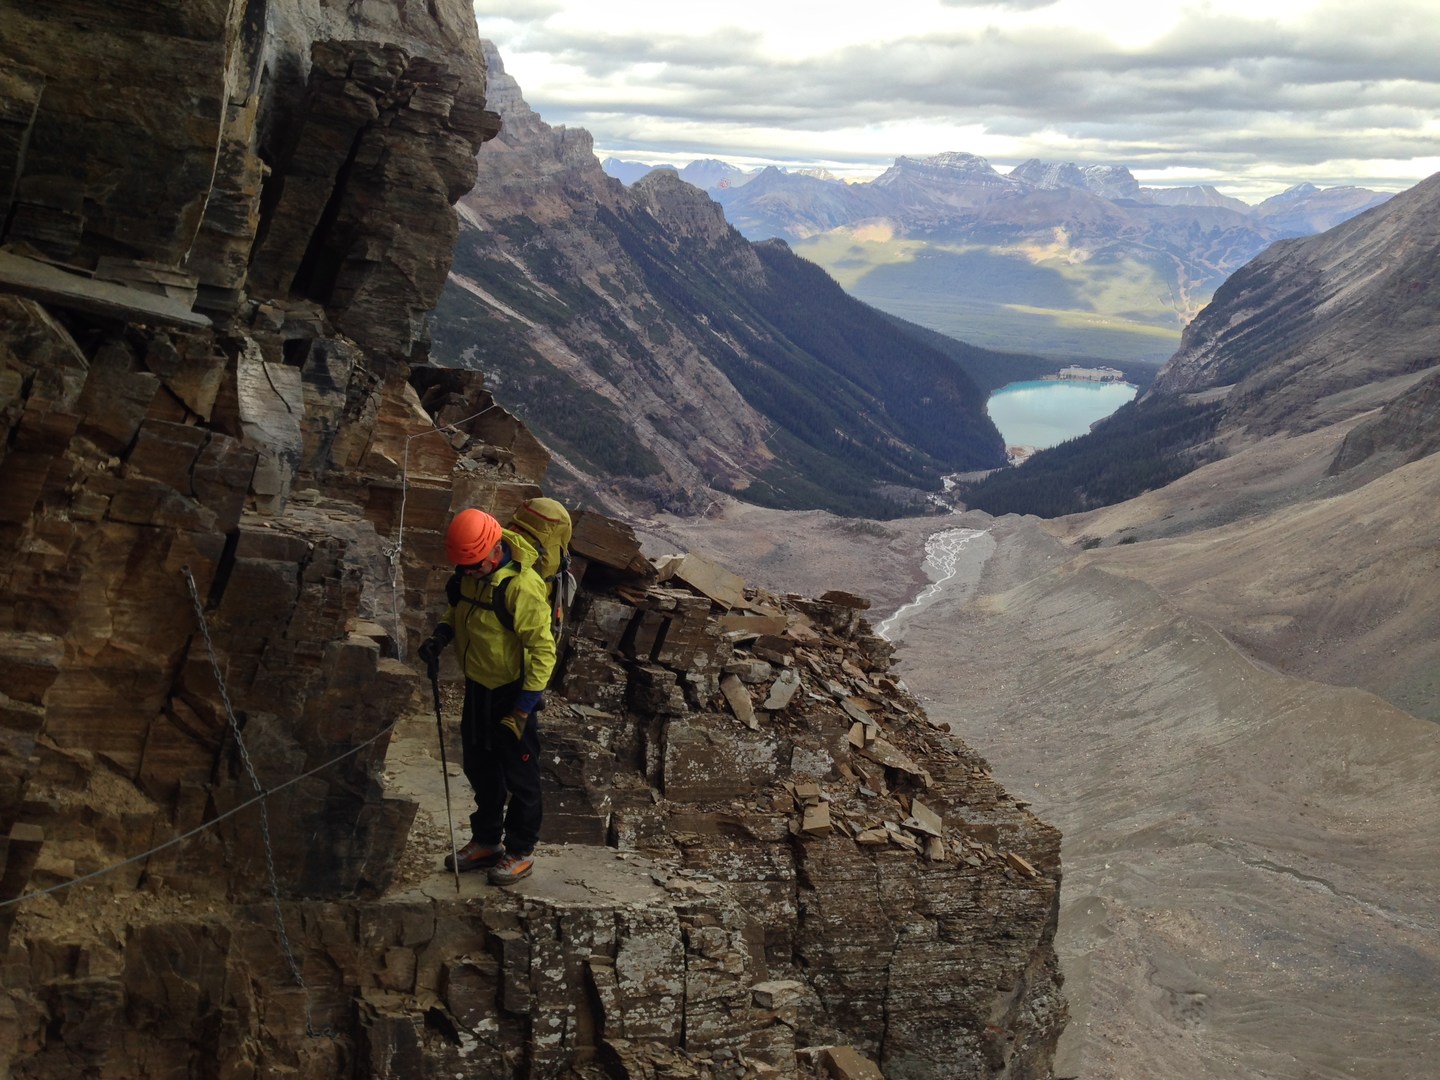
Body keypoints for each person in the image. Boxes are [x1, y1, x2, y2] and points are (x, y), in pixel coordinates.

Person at [418, 508, 556, 885]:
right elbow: (457, 609)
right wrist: (441, 637)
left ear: (495, 552)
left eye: (473, 565)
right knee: (481, 767)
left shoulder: (521, 588)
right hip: (478, 687)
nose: (466, 572)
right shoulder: (471, 574)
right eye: (461, 567)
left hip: (514, 694)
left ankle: (519, 850)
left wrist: (524, 708)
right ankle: (486, 841)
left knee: (521, 775)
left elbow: (544, 651)